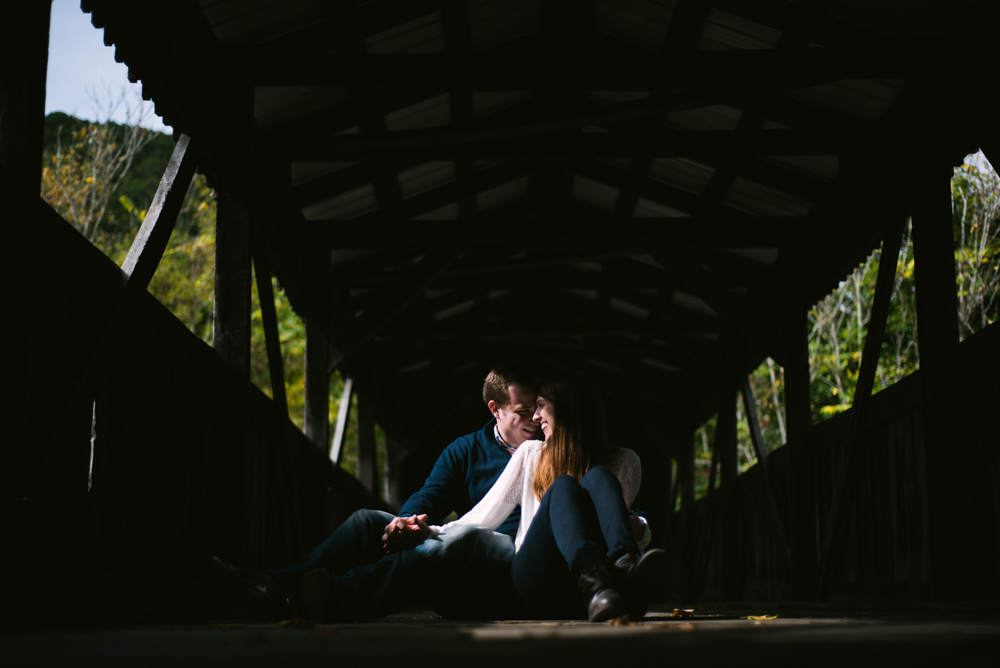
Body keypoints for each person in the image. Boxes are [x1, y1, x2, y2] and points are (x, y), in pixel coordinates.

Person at [210, 361, 543, 620]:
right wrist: (405, 522)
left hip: (508, 561)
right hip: (456, 570)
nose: (533, 421)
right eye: (521, 413)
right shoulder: (465, 450)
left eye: (536, 411)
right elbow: (431, 495)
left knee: (467, 537)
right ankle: (278, 584)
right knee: (367, 519)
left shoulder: (549, 450)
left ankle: (334, 598)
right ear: (494, 409)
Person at [419, 377, 665, 622]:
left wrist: (640, 528)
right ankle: (597, 580)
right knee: (563, 486)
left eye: (540, 405)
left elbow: (630, 525)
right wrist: (426, 532)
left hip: (592, 601)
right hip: (536, 585)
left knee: (599, 475)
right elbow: (481, 518)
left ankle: (625, 569)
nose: (536, 417)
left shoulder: (625, 461)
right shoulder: (530, 454)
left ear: (568, 409)